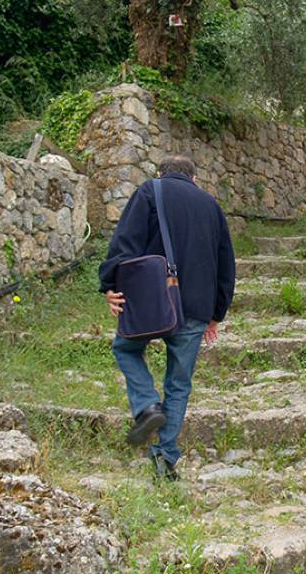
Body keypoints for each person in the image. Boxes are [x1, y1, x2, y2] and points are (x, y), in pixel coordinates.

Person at [98, 155, 235, 482]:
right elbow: (225, 263)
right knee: (179, 381)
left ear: (160, 173)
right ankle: (165, 457)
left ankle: (147, 407)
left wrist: (110, 286)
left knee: (126, 349)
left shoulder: (149, 191)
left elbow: (125, 244)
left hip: (151, 301)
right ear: (194, 178)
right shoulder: (211, 206)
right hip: (196, 307)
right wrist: (216, 313)